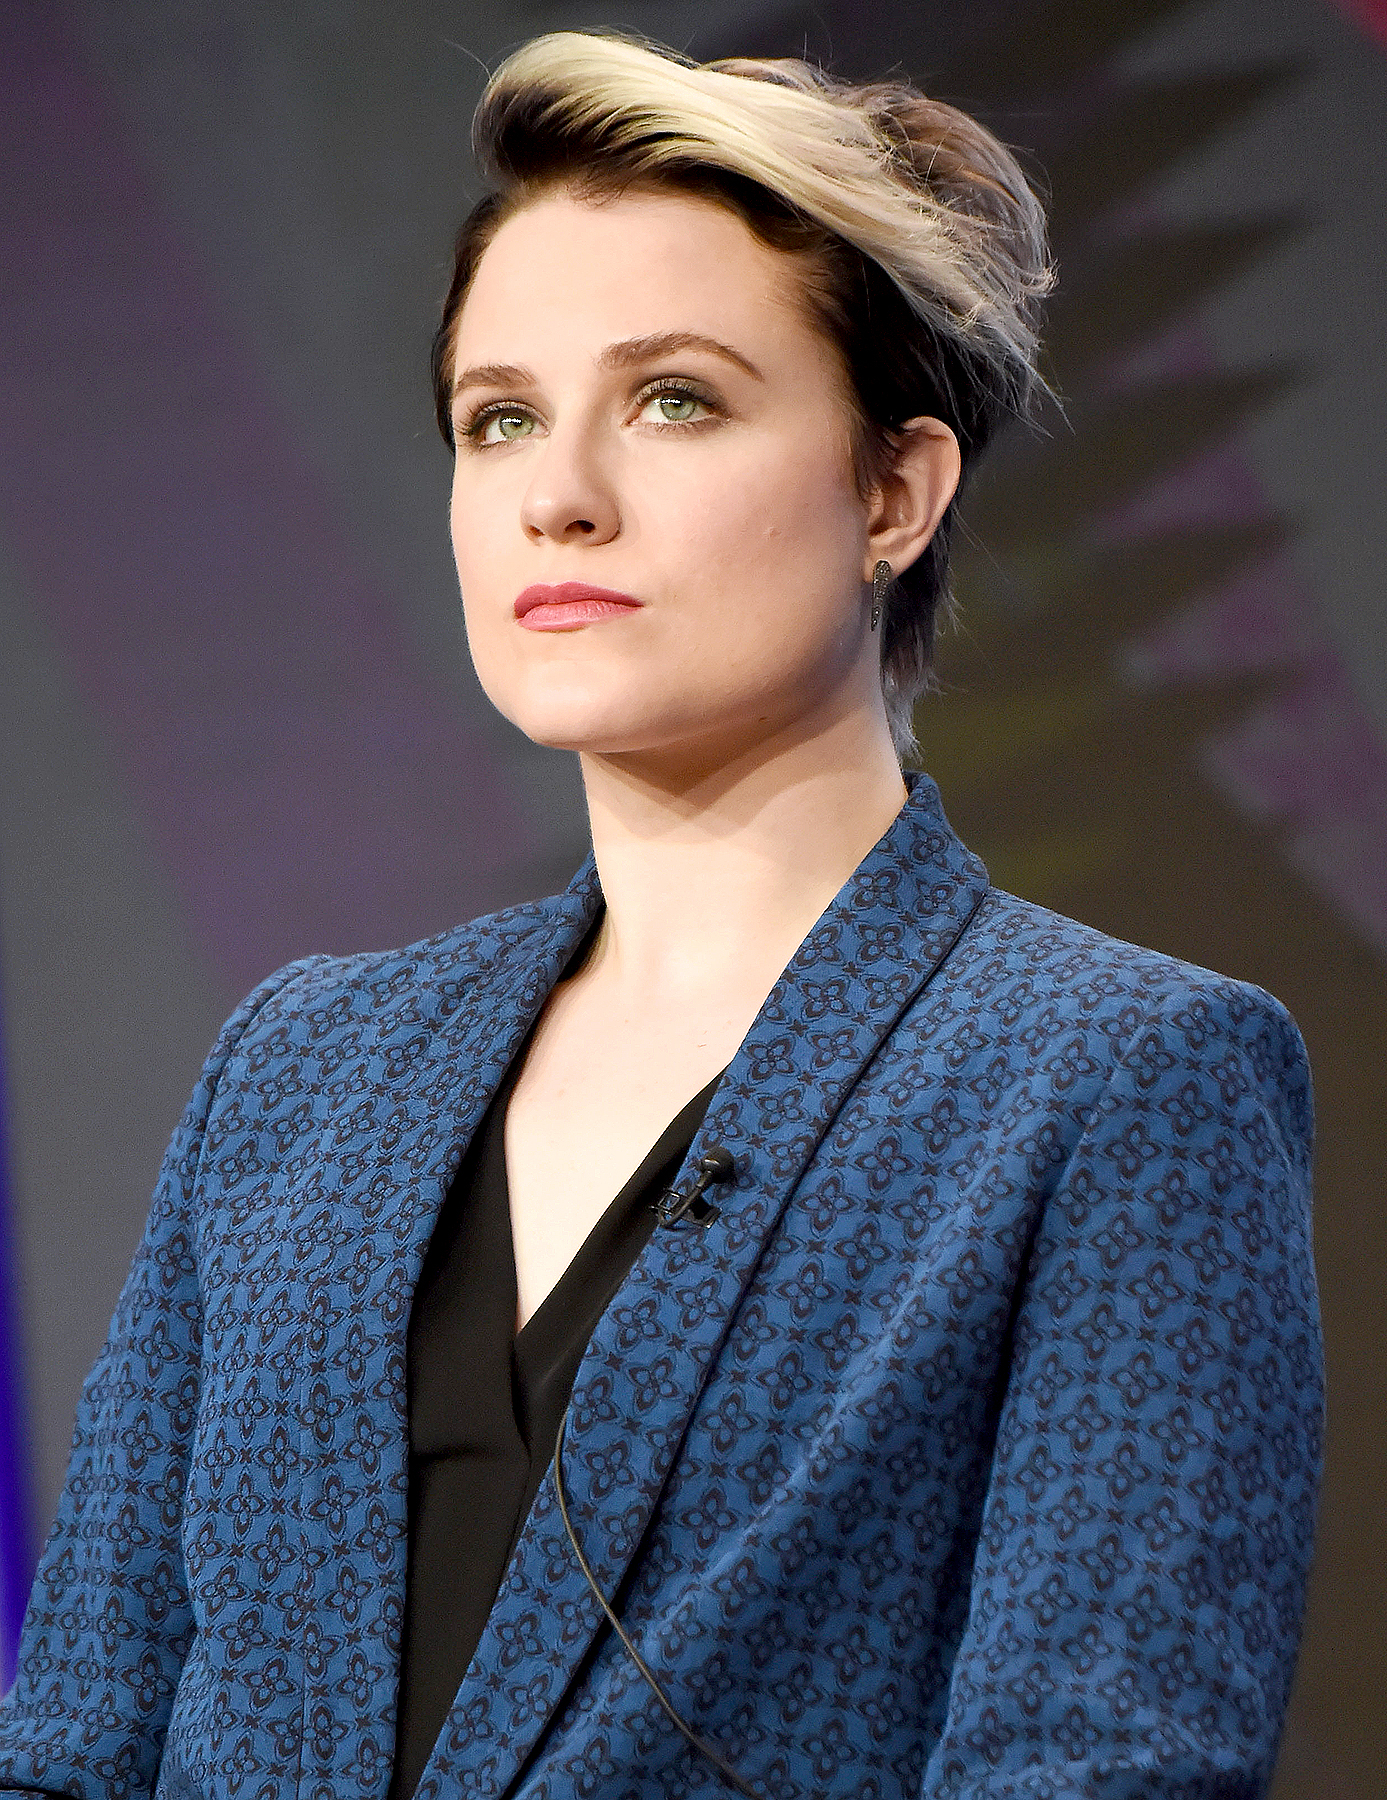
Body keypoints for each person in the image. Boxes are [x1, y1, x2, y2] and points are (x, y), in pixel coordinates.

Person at [0, 29, 1321, 1800]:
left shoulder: (1114, 1081)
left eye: (676, 398)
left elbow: (1093, 1770)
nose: (560, 492)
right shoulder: (301, 1071)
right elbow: (77, 1739)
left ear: (893, 491)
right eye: (499, 418)